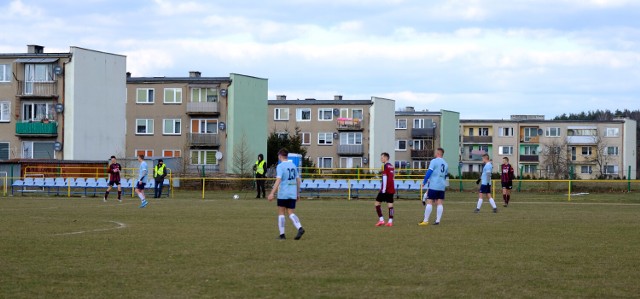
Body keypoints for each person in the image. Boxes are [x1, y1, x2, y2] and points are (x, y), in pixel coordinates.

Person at [267, 148, 305, 240]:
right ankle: (300, 227)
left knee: (281, 213)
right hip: (292, 193)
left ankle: (282, 235)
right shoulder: (293, 165)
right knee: (291, 213)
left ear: (280, 156)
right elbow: (298, 180)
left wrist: (272, 193)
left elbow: (278, 180)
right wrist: (297, 193)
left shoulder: (280, 166)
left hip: (283, 193)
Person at [418, 148, 448, 226]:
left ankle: (425, 220)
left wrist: (424, 182)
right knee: (439, 203)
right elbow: (445, 176)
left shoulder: (434, 161)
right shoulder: (446, 163)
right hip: (441, 186)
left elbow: (429, 172)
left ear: (438, 153)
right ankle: (437, 221)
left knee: (429, 201)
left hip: (434, 185)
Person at [375, 152, 396, 227]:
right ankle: (390, 221)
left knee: (377, 204)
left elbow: (385, 178)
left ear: (386, 158)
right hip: (391, 188)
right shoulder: (391, 166)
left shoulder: (384, 166)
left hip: (385, 189)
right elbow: (393, 177)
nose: (381, 158)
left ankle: (381, 220)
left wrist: (383, 190)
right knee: (390, 205)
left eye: (382, 157)